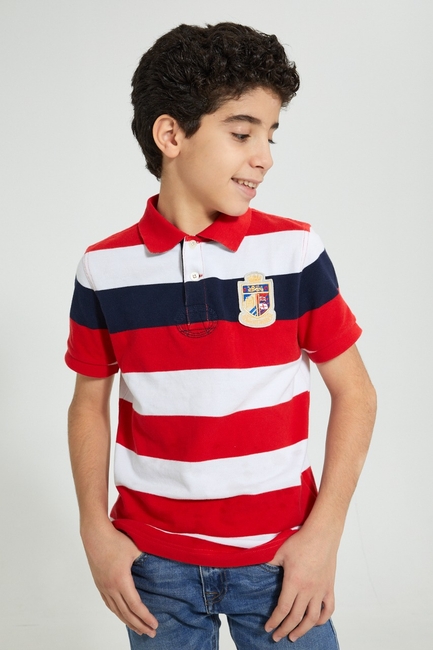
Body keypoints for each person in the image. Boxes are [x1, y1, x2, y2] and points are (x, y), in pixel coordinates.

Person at [66, 22, 376, 649]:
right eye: (242, 133)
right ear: (171, 135)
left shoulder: (293, 251)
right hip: (155, 568)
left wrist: (323, 536)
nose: (265, 156)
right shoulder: (104, 268)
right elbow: (88, 405)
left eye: (270, 134)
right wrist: (94, 530)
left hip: (281, 561)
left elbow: (357, 394)